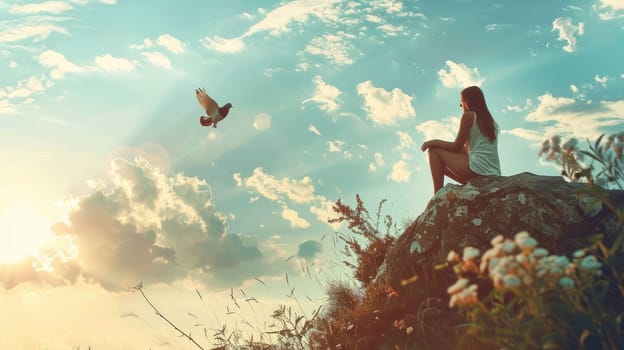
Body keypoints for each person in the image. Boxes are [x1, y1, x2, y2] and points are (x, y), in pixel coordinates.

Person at [420, 86, 501, 194]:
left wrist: (432, 142)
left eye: (462, 100)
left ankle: (437, 195)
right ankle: (441, 196)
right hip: (493, 173)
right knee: (440, 168)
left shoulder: (468, 116)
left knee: (434, 151)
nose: (460, 104)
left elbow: (456, 147)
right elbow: (464, 151)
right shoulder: (492, 123)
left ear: (469, 101)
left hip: (477, 169)